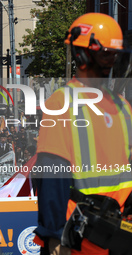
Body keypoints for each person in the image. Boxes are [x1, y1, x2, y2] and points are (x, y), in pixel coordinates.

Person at [34, 13, 132, 255]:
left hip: (93, 237)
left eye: (113, 54)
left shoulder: (65, 103)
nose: (111, 61)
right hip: (101, 238)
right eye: (107, 54)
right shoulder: (121, 107)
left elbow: (51, 176)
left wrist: (54, 236)